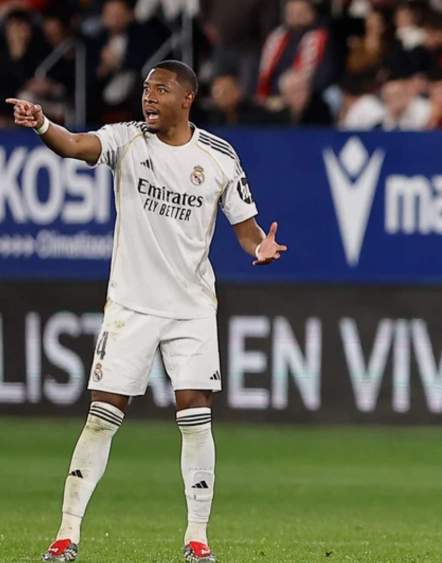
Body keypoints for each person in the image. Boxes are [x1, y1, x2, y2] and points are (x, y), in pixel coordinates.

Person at [6, 59, 287, 563]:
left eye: (160, 89)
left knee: (196, 417)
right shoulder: (126, 140)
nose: (149, 98)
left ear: (187, 99)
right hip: (131, 306)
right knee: (101, 417)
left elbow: (244, 225)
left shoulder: (219, 156)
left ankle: (197, 538)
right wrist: (44, 124)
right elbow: (74, 145)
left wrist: (257, 249)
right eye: (145, 89)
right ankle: (66, 534)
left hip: (191, 308)